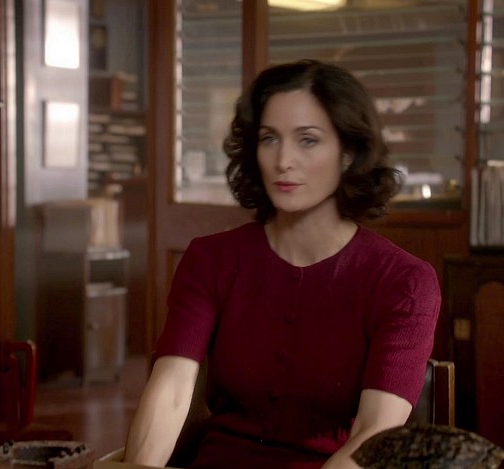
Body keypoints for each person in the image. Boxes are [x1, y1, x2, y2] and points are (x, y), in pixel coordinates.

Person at [123, 59, 441, 469]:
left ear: (348, 152)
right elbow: (170, 391)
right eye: (269, 138)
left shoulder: (404, 282)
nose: (283, 160)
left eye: (307, 140)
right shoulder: (212, 260)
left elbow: (373, 435)